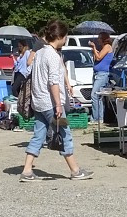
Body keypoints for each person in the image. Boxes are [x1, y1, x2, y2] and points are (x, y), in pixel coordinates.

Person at [19, 19, 93, 183]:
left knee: (38, 135)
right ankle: (75, 170)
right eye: (65, 36)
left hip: (38, 101)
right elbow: (53, 81)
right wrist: (58, 104)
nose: (66, 39)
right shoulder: (52, 55)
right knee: (65, 134)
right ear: (60, 36)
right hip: (50, 103)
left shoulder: (40, 52)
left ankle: (27, 170)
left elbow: (32, 72)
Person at [88, 30, 113, 124]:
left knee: (94, 95)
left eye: (99, 38)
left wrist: (94, 47)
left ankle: (96, 118)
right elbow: (96, 59)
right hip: (97, 73)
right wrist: (94, 51)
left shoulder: (107, 47)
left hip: (102, 74)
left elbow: (99, 57)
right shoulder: (103, 48)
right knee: (98, 97)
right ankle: (99, 118)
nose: (98, 40)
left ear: (103, 39)